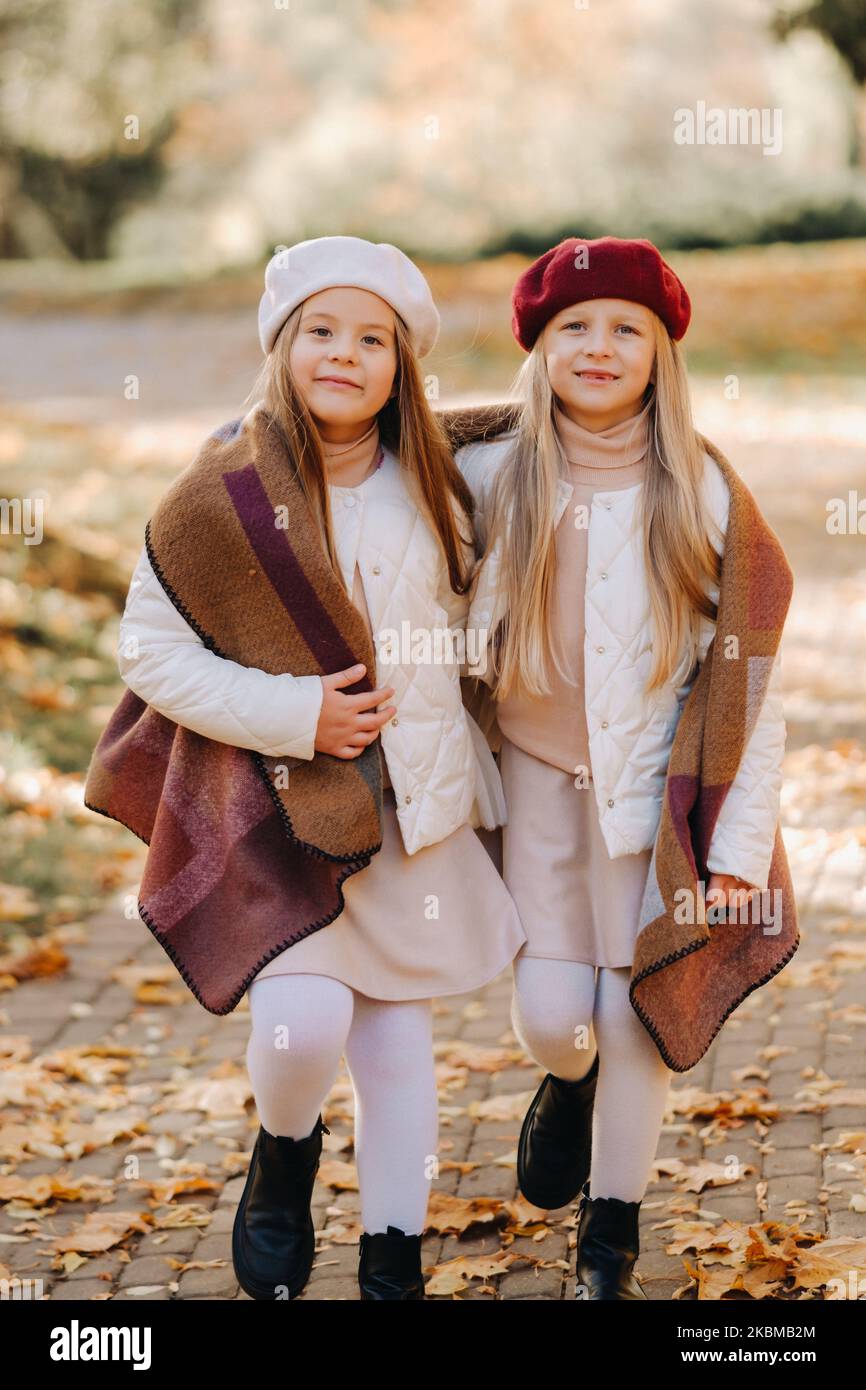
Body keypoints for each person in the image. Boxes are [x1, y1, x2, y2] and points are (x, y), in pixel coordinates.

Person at [106, 236, 527, 1300]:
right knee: (300, 1028)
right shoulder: (223, 488)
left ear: (401, 363)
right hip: (288, 809)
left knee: (393, 1045)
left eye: (373, 338)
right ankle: (282, 1152)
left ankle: (391, 1256)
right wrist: (298, 713)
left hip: (409, 815)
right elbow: (150, 652)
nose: (345, 353)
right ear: (285, 345)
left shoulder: (439, 476)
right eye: (322, 331)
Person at [452, 235, 792, 1300]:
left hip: (653, 800)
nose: (597, 347)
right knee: (559, 1017)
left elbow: (749, 687)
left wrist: (733, 848)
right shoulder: (480, 472)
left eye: (624, 330)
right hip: (532, 787)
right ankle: (568, 1083)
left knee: (633, 1005)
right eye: (573, 329)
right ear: (538, 347)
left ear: (661, 353)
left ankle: (611, 1231)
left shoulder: (698, 493)